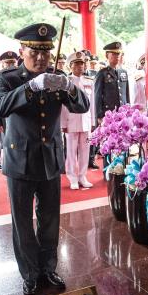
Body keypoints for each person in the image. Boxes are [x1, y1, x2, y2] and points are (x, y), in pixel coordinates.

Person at [0, 23, 90, 295]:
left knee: (49, 221)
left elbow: (82, 105)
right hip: (19, 162)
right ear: (22, 51)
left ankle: (48, 267)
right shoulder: (8, 79)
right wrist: (32, 87)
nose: (40, 59)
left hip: (49, 159)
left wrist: (69, 87)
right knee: (22, 222)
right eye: (34, 52)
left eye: (45, 53)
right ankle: (30, 274)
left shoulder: (56, 77)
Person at [61, 51, 95, 190]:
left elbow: (91, 103)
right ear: (71, 66)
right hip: (71, 121)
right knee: (71, 151)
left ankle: (82, 176)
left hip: (85, 121)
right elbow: (62, 106)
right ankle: (72, 177)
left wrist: (93, 122)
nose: (80, 66)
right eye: (77, 64)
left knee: (85, 150)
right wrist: (63, 123)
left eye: (82, 63)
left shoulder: (89, 81)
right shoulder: (66, 83)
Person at [93, 41, 129, 123]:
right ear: (107, 55)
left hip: (123, 113)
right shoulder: (102, 73)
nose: (117, 56)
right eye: (113, 54)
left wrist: (128, 110)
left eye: (118, 54)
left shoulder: (124, 72)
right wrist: (99, 115)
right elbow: (97, 96)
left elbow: (126, 94)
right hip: (109, 114)